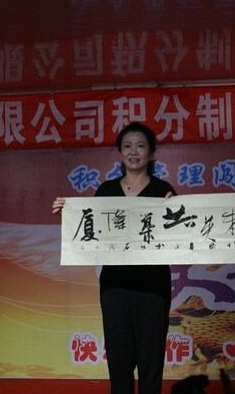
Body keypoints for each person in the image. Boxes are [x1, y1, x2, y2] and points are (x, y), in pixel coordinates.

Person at [53, 122, 175, 394]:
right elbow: (90, 231)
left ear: (151, 153)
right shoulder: (106, 191)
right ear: (120, 153)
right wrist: (68, 213)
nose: (134, 152)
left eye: (140, 146)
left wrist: (177, 210)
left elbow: (179, 236)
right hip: (115, 287)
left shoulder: (163, 191)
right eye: (127, 146)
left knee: (151, 360)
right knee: (119, 360)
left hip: (153, 287)